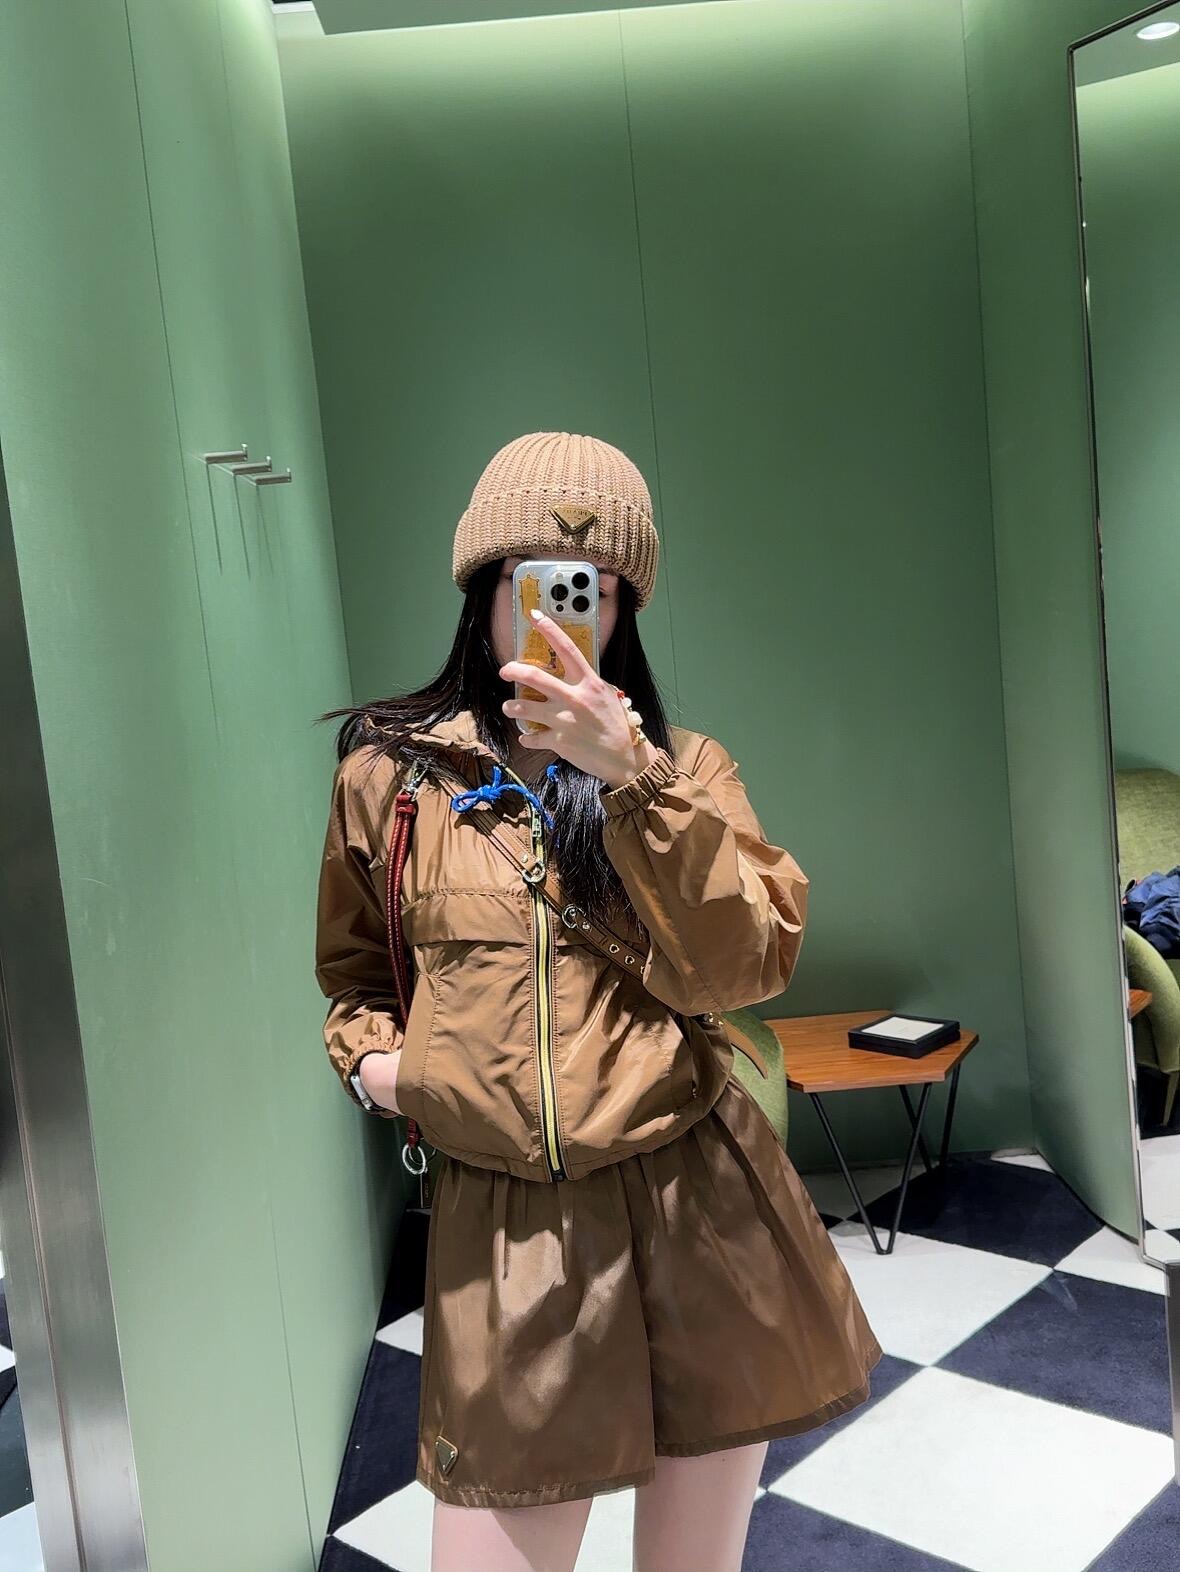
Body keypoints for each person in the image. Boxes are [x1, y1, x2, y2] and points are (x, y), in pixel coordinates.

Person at [314, 432, 883, 1572]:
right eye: (534, 582)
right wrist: (388, 1072)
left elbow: (748, 963)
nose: (564, 616)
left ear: (624, 611)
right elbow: (358, 976)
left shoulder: (686, 768)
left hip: (699, 1209)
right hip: (508, 1237)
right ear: (483, 589)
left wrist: (637, 783)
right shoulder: (390, 776)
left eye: (597, 590)